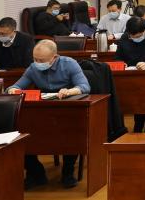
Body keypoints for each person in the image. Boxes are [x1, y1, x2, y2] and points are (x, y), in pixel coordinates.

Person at [7, 40, 90, 188]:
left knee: (72, 132)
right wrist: (12, 90)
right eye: (35, 59)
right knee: (22, 132)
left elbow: (84, 86)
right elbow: (16, 86)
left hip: (67, 109)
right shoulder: (33, 68)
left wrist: (70, 91)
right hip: (41, 111)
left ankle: (68, 172)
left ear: (54, 57)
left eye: (42, 60)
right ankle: (36, 173)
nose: (37, 63)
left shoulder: (69, 64)